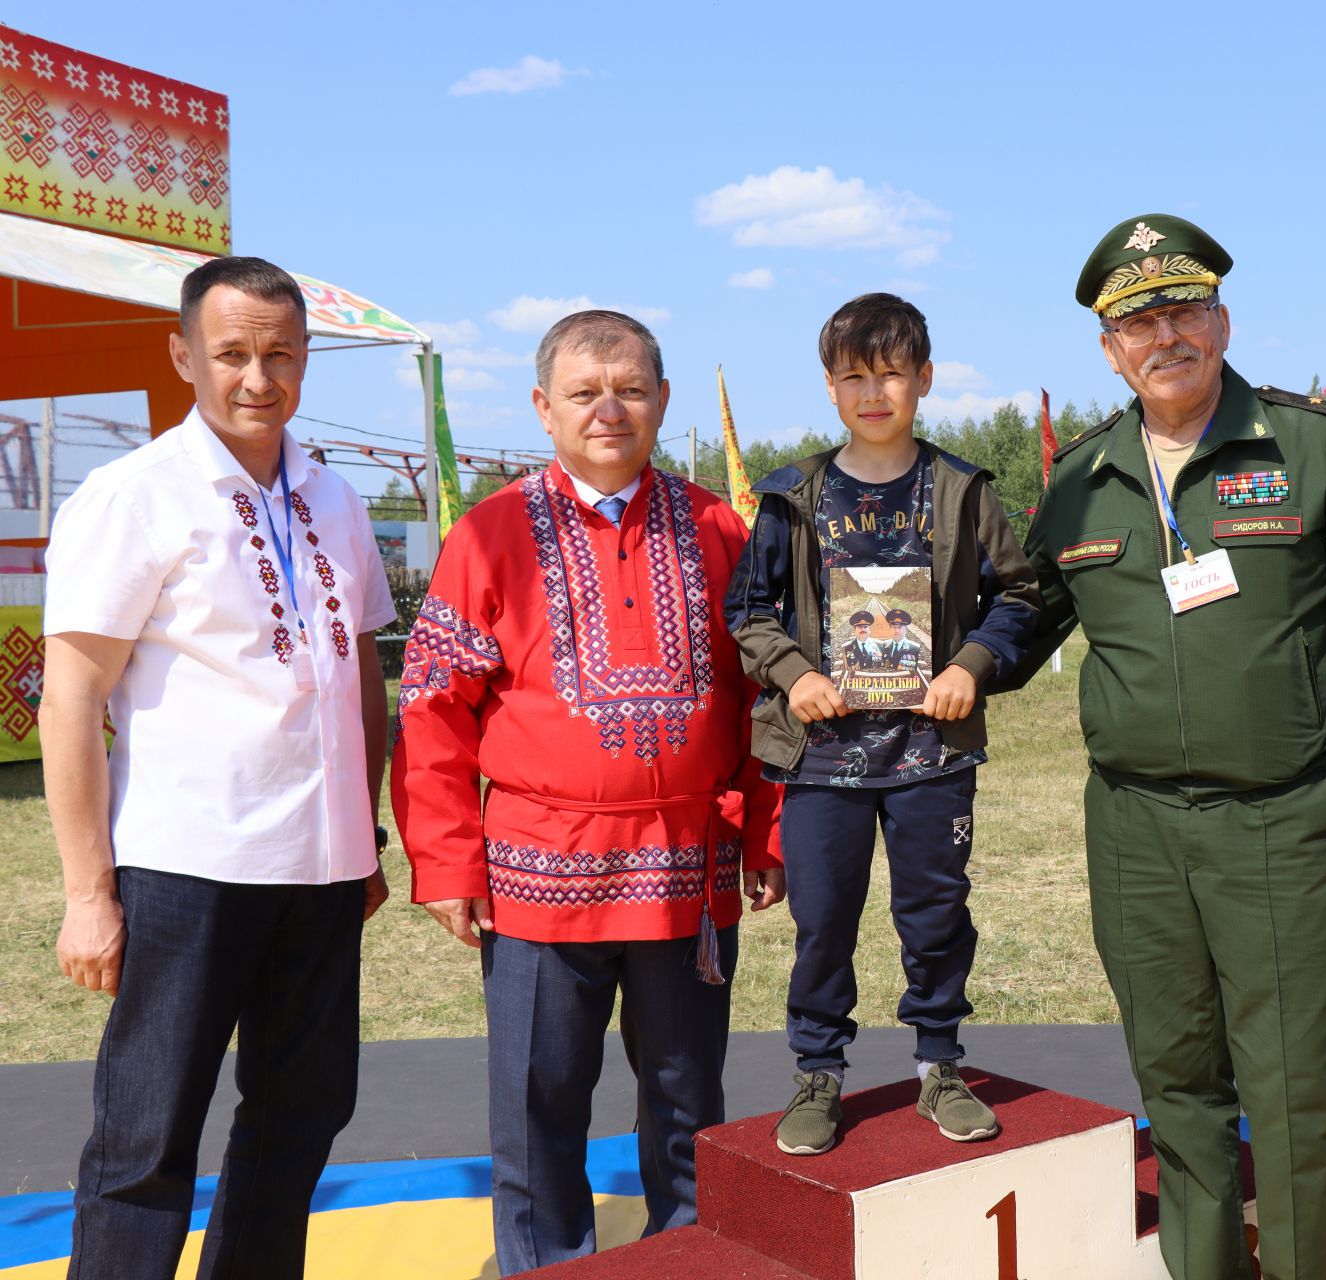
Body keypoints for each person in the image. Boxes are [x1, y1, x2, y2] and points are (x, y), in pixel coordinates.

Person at [997, 216, 1326, 1279]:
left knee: (1292, 1092)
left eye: (1183, 309)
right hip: (1137, 832)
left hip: (1285, 823)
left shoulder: (1313, 446)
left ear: (1222, 320)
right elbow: (1018, 620)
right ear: (1109, 348)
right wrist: (913, 653)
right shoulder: (1083, 479)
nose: (1165, 333)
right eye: (1137, 321)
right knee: (1179, 1089)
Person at [389, 310, 784, 1273]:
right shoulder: (488, 535)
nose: (609, 410)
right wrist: (446, 862)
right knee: (538, 1105)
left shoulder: (718, 528)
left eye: (632, 389)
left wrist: (766, 836)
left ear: (660, 401)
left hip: (686, 873)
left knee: (690, 1104)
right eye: (584, 392)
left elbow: (766, 695)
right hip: (537, 875)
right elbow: (433, 708)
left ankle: (688, 1260)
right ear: (543, 407)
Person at [40, 255, 393, 1280]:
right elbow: (71, 698)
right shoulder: (133, 494)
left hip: (321, 870)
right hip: (186, 867)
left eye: (280, 354)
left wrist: (361, 837)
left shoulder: (335, 495)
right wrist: (86, 890)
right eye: (232, 353)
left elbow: (360, 676)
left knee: (301, 1118)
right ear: (182, 354)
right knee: (147, 1137)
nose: (256, 377)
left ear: (305, 358)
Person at [725, 292, 1039, 1155]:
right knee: (823, 919)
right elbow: (747, 608)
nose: (874, 392)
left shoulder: (964, 489)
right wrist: (794, 676)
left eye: (891, 373)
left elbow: (1020, 594)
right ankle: (817, 1075)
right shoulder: (792, 496)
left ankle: (941, 1066)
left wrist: (971, 666)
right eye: (854, 376)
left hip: (931, 756)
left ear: (924, 379)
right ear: (830, 387)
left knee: (935, 916)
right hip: (823, 760)